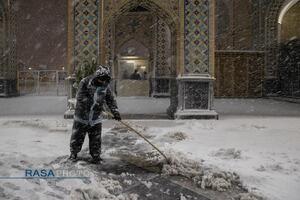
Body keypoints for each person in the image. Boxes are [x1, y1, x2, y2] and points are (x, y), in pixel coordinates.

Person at [69, 65, 121, 164]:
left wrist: (115, 111)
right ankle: (73, 153)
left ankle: (96, 156)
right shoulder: (85, 82)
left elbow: (110, 99)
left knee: (95, 139)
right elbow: (80, 98)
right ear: (96, 77)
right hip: (82, 117)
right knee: (77, 137)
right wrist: (93, 104)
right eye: (101, 79)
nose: (103, 82)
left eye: (105, 80)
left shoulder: (105, 86)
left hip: (95, 118)